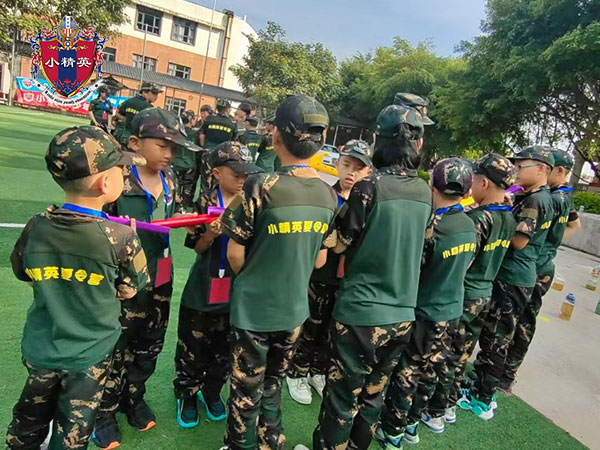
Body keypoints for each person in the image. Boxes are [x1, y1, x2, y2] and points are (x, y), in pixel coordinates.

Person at [6, 126, 149, 450]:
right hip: (89, 354)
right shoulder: (121, 237)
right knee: (74, 429)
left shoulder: (36, 225)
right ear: (105, 183)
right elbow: (130, 289)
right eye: (121, 168)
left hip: (41, 347)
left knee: (28, 420)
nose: (125, 173)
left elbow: (23, 271)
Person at [306, 104, 432, 450]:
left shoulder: (369, 187)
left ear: (378, 138)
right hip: (402, 314)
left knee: (342, 397)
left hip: (360, 314)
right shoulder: (425, 192)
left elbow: (339, 243)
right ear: (418, 145)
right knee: (374, 395)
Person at [221, 94, 338, 450]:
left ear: (275, 136)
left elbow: (234, 252)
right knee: (273, 382)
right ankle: (272, 440)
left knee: (246, 388)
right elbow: (320, 261)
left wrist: (255, 276)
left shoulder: (261, 186)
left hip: (254, 310)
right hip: (293, 312)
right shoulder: (327, 195)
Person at [93, 108, 194, 449]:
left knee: (149, 345)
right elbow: (96, 228)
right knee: (115, 348)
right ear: (135, 143)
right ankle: (104, 412)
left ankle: (133, 398)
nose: (170, 154)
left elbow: (170, 216)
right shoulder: (117, 179)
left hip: (160, 278)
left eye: (174, 148)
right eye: (163, 145)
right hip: (123, 281)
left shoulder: (171, 179)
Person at [376, 158, 476, 448]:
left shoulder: (433, 227)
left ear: (432, 185)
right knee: (431, 370)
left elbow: (414, 267)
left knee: (408, 372)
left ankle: (392, 431)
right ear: (467, 191)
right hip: (452, 309)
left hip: (426, 310)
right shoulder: (469, 224)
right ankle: (411, 424)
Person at [174, 141, 262, 428]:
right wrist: (210, 235)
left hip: (236, 288)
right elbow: (198, 249)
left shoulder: (253, 202)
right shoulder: (204, 202)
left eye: (246, 174)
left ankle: (211, 391)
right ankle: (187, 394)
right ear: (216, 173)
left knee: (225, 349)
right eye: (236, 174)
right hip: (204, 286)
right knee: (193, 346)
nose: (242, 180)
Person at [428, 154, 517, 427]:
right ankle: (450, 406)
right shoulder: (509, 217)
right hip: (484, 293)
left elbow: (463, 261)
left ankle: (436, 410)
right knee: (462, 353)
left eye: (475, 180)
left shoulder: (478, 219)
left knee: (447, 353)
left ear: (484, 183)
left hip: (464, 293)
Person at [467, 146, 555, 420]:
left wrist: (502, 214)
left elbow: (519, 241)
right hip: (517, 275)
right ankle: (482, 387)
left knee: (497, 338)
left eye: (521, 166)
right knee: (497, 335)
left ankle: (483, 397)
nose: (516, 171)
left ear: (541, 169)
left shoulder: (535, 200)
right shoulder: (538, 197)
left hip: (513, 277)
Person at [287, 139, 373, 406]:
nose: (351, 173)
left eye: (358, 168)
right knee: (311, 323)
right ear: (336, 164)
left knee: (332, 329)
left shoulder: (368, 202)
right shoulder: (325, 196)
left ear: (368, 172)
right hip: (320, 274)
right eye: (347, 164)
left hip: (349, 278)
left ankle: (318, 370)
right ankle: (297, 371)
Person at [499, 148, 580, 390]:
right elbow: (574, 225)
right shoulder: (562, 198)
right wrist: (551, 244)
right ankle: (505, 372)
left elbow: (525, 237)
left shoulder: (547, 199)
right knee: (522, 321)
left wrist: (541, 247)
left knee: (519, 323)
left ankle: (505, 375)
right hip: (541, 263)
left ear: (558, 171)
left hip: (534, 267)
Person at [198, 99, 236, 192]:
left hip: (208, 153)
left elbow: (201, 136)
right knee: (218, 181)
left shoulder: (209, 119)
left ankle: (204, 200)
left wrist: (204, 147)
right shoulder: (232, 124)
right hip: (222, 156)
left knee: (205, 181)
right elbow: (233, 142)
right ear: (228, 110)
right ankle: (215, 200)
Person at [112, 82, 163, 147]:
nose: (156, 96)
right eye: (154, 93)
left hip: (123, 137)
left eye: (157, 94)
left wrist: (125, 119)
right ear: (144, 92)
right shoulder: (149, 108)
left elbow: (116, 113)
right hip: (137, 141)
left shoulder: (129, 101)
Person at [173, 110, 201, 210]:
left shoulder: (176, 132)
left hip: (176, 163)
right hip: (190, 164)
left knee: (176, 185)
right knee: (187, 188)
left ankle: (175, 205)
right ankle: (183, 207)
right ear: (191, 120)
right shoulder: (195, 134)